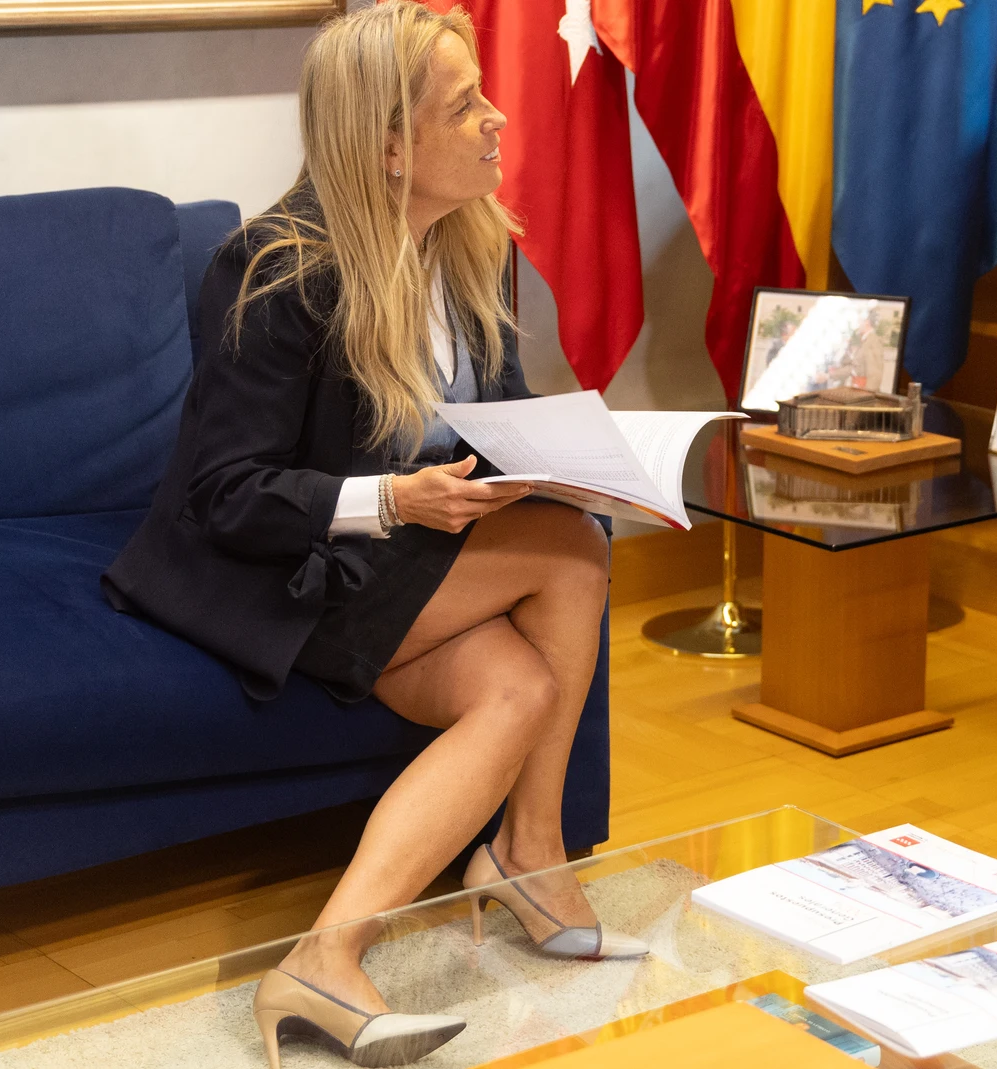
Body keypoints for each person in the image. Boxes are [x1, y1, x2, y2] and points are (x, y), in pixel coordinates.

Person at [101, 5, 646, 1067]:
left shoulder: (473, 252)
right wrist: (395, 502)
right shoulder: (275, 270)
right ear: (388, 147)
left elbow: (496, 423)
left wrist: (572, 460)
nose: (498, 120)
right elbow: (225, 495)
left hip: (396, 558)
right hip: (277, 563)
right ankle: (529, 854)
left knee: (519, 687)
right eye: (465, 106)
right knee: (572, 552)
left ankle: (327, 957)